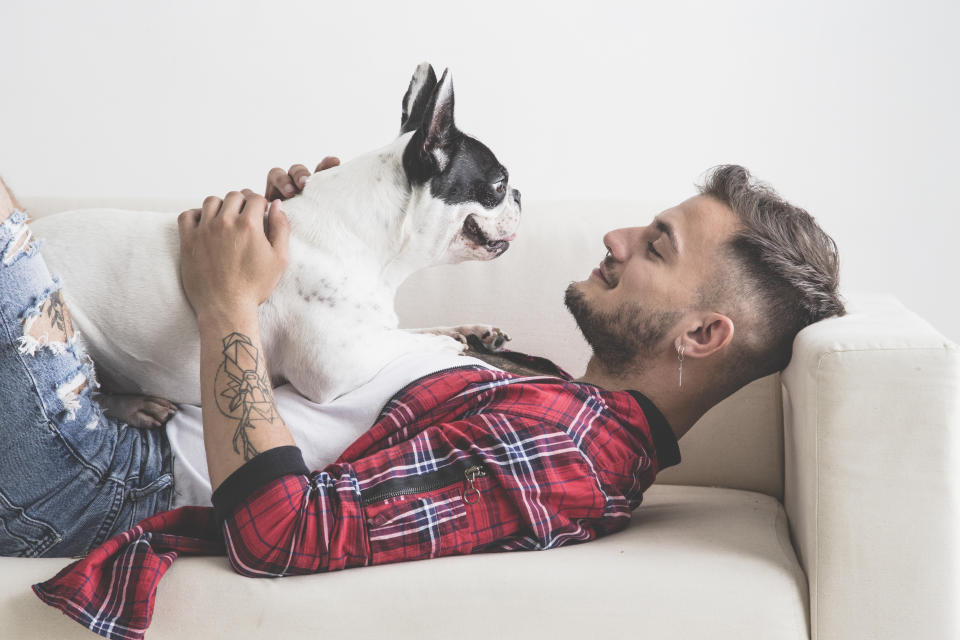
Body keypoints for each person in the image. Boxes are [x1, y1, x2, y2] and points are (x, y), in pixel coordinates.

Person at [0, 162, 843, 570]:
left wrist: (230, 305)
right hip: (112, 403)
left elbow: (282, 532)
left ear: (701, 336)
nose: (617, 239)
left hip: (101, 481)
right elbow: (337, 384)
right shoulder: (541, 386)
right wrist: (338, 233)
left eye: (657, 245)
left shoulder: (571, 451)